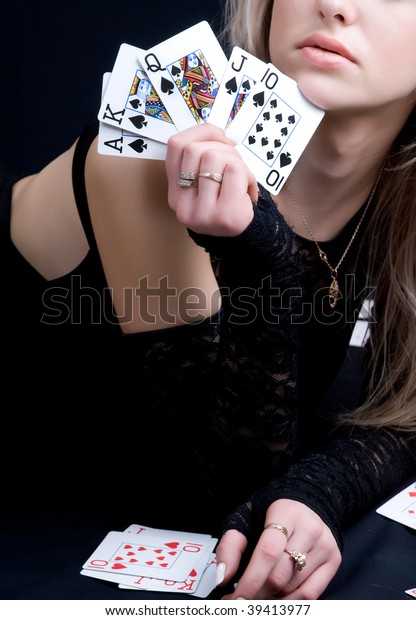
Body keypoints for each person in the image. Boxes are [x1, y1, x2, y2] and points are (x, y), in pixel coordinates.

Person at [1, 0, 416, 601]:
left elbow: (405, 404)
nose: (335, 5)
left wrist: (320, 487)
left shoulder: (401, 185)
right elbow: (221, 486)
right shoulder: (160, 145)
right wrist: (265, 257)